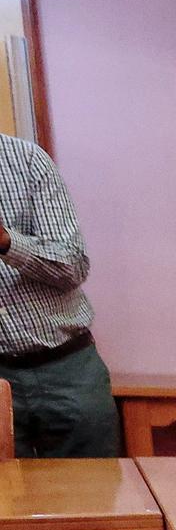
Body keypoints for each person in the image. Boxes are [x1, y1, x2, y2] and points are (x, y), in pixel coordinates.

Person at [0, 133, 119, 459]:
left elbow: (73, 265)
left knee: (91, 496)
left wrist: (7, 242)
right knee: (7, 504)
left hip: (67, 368)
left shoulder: (26, 161)